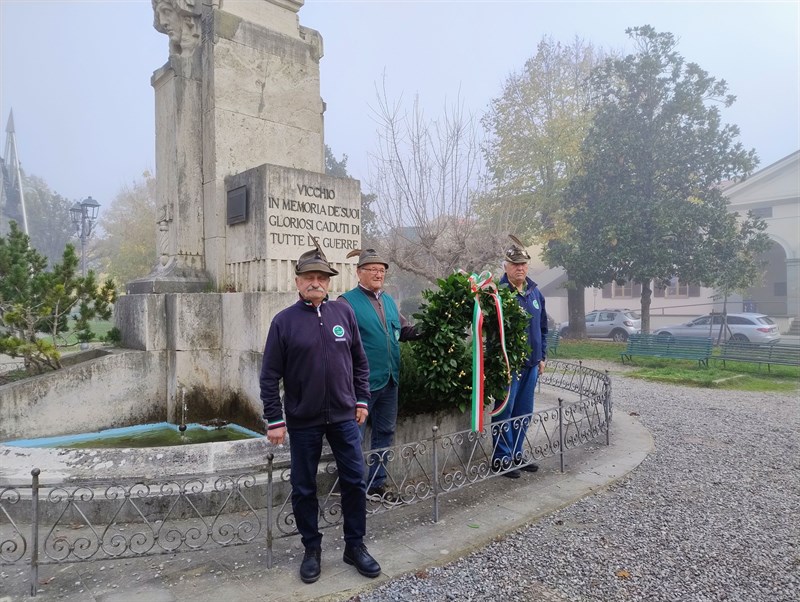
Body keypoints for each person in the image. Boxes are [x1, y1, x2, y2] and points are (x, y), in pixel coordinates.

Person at [260, 241, 381, 584]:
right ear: (297, 282)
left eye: (322, 277)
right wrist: (275, 419)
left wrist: (361, 400)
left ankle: (354, 546)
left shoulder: (343, 314)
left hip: (344, 416)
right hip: (303, 421)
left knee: (355, 481)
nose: (316, 282)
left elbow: (360, 361)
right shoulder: (283, 322)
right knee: (303, 487)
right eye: (309, 276)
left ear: (329, 282)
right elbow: (269, 376)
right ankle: (311, 549)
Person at [339, 248, 422, 502]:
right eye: (372, 269)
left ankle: (376, 484)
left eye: (382, 270)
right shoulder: (346, 303)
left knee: (384, 432)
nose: (378, 274)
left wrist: (427, 328)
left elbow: (403, 330)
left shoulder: (387, 301)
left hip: (389, 380)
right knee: (353, 436)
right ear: (359, 272)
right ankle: (351, 488)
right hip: (361, 384)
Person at [491, 236, 548, 479]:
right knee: (505, 411)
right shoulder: (497, 294)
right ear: (506, 266)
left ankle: (516, 454)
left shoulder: (535, 292)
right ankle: (501, 459)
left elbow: (543, 327)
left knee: (523, 412)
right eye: (515, 264)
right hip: (508, 365)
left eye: (523, 264)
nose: (520, 268)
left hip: (532, 364)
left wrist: (542, 356)